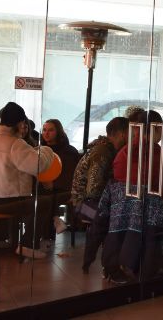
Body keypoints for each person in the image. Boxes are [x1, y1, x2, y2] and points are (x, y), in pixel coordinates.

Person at [104, 110, 163, 282]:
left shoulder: (122, 154)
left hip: (124, 216)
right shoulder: (162, 157)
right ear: (157, 129)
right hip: (154, 216)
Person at [0, 102, 55, 258]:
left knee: (32, 202)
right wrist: (46, 150)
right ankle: (27, 245)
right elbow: (38, 165)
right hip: (6, 202)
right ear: (19, 123)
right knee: (43, 202)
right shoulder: (15, 144)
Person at [71, 116, 129, 272]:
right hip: (82, 205)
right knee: (110, 218)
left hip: (91, 202)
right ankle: (109, 266)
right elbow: (93, 190)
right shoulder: (102, 152)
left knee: (114, 214)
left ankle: (101, 262)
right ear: (123, 134)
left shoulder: (108, 149)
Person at [39, 119, 80, 241]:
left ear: (58, 132)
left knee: (48, 198)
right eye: (44, 130)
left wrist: (54, 184)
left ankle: (48, 234)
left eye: (50, 130)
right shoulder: (40, 150)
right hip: (44, 187)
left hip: (64, 188)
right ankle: (55, 220)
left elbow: (70, 175)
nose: (46, 133)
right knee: (40, 197)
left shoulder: (69, 151)